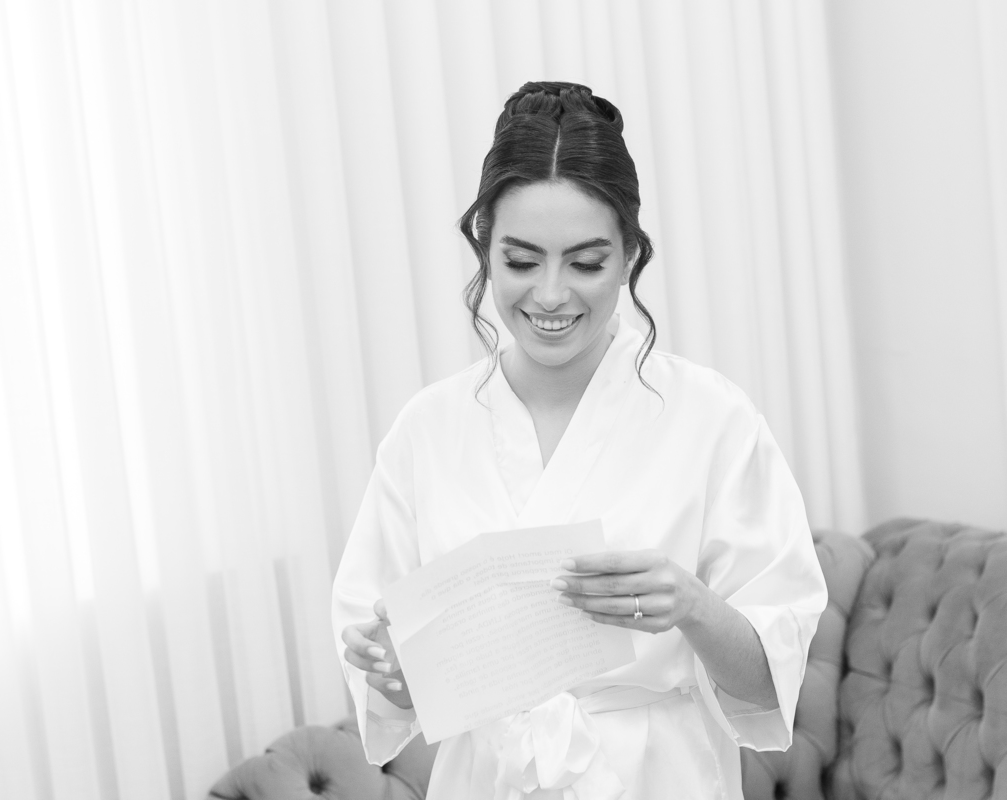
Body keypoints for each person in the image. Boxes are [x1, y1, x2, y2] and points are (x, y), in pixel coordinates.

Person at [333, 81, 827, 800]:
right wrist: (396, 675)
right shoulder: (428, 430)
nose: (551, 295)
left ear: (630, 255)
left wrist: (692, 606)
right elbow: (390, 684)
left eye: (586, 263)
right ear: (485, 250)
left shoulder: (712, 418)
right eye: (521, 261)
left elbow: (768, 684)